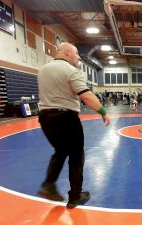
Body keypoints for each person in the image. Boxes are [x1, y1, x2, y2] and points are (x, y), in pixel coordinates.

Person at [37, 42, 110, 209]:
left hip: (45, 118)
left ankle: (48, 184)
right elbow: (86, 96)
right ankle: (75, 196)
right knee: (76, 156)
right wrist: (103, 111)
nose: (79, 57)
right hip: (66, 117)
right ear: (68, 52)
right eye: (77, 54)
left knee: (61, 151)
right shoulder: (71, 71)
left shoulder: (43, 70)